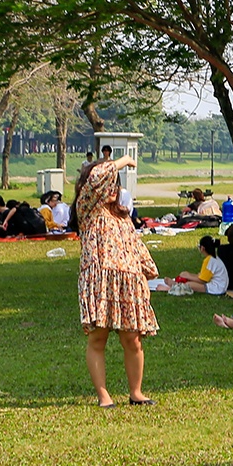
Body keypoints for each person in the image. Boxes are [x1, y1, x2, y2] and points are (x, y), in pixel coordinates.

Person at [77, 154, 159, 408]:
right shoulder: (87, 209)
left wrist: (146, 277)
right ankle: (104, 396)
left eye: (116, 183)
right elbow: (95, 178)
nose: (112, 188)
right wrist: (123, 161)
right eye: (108, 183)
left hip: (129, 283)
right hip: (100, 282)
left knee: (132, 339)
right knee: (98, 338)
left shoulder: (124, 218)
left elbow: (138, 248)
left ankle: (136, 392)